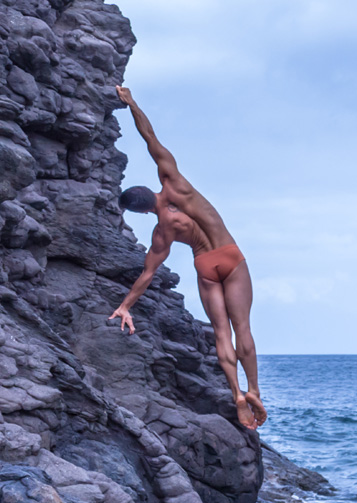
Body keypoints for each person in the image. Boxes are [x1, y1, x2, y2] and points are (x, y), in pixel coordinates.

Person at [109, 86, 266, 430]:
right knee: (243, 329)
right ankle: (254, 390)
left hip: (205, 266)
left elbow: (148, 274)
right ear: (149, 190)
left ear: (141, 210)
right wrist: (131, 102)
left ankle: (237, 394)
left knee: (221, 333)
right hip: (231, 257)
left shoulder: (162, 231)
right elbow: (149, 137)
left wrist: (125, 306)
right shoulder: (175, 182)